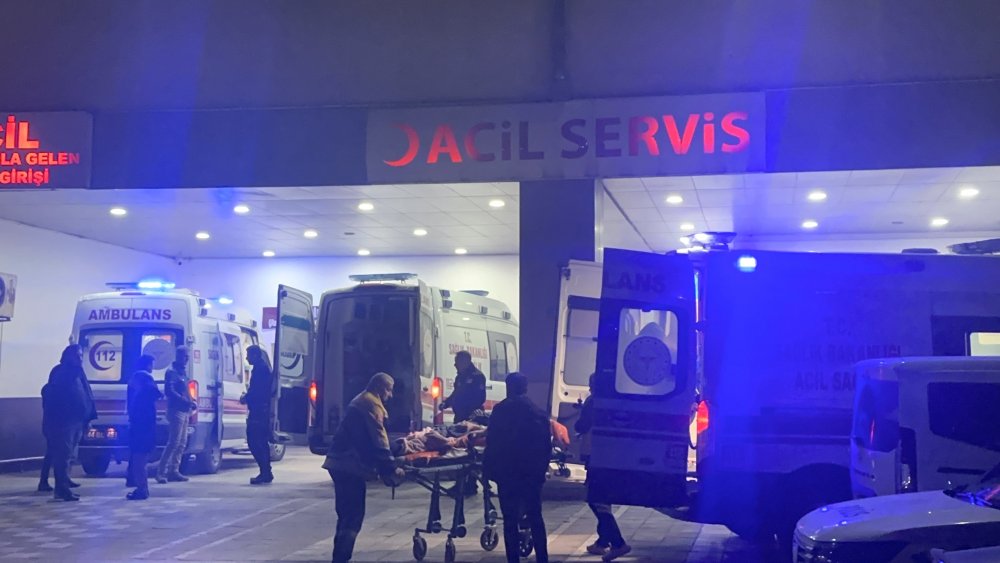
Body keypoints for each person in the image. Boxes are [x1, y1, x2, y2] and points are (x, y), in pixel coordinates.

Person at [323, 372, 405, 563]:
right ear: (379, 387)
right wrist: (391, 468)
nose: (390, 395)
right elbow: (379, 441)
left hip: (338, 462)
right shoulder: (372, 405)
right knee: (353, 516)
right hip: (349, 465)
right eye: (389, 390)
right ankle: (341, 558)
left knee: (345, 514)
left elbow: (370, 440)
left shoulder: (361, 400)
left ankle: (339, 556)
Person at [483, 372, 551, 563]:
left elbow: (492, 442)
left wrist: (488, 471)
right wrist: (541, 472)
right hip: (531, 474)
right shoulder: (537, 413)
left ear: (508, 388)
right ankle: (542, 558)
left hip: (508, 474)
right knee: (535, 517)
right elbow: (546, 446)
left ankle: (513, 559)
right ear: (525, 388)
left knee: (510, 520)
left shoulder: (500, 411)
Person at [576, 374, 631, 561]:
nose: (590, 387)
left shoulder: (593, 401)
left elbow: (582, 425)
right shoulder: (614, 401)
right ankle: (602, 541)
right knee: (602, 499)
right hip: (608, 454)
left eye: (591, 383)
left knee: (595, 499)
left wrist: (580, 418)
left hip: (594, 454)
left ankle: (618, 543)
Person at [46, 345, 95, 501]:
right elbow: (56, 397)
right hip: (64, 422)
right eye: (77, 356)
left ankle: (65, 482)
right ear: (68, 356)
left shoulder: (79, 372)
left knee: (70, 455)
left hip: (77, 421)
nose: (80, 359)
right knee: (63, 455)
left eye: (81, 355)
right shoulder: (60, 373)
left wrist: (88, 417)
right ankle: (61, 489)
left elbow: (87, 394)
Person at [156, 346, 196, 483]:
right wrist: (184, 400)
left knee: (182, 443)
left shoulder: (182, 372)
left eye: (188, 356)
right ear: (178, 356)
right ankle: (161, 472)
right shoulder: (172, 372)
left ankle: (174, 470)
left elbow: (185, 390)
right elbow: (170, 391)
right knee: (173, 442)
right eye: (185, 356)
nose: (187, 359)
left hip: (185, 410)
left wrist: (191, 401)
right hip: (176, 410)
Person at [126, 354, 163, 500]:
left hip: (136, 422)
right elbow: (155, 393)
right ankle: (142, 488)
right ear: (147, 365)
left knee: (137, 456)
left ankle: (140, 487)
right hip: (144, 423)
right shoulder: (145, 378)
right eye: (151, 364)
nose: (152, 367)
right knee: (141, 458)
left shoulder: (133, 378)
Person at [243, 345, 274, 485]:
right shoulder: (261, 368)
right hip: (260, 410)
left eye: (248, 355)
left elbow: (258, 391)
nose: (246, 358)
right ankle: (266, 471)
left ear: (255, 355)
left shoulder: (260, 370)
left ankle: (265, 471)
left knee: (255, 441)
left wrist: (246, 398)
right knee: (260, 441)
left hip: (259, 411)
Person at [439, 350, 486, 423]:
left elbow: (480, 398)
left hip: (471, 417)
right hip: (459, 415)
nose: (455, 365)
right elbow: (456, 393)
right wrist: (446, 403)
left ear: (465, 362)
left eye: (457, 362)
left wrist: (466, 406)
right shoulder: (460, 377)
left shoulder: (477, 376)